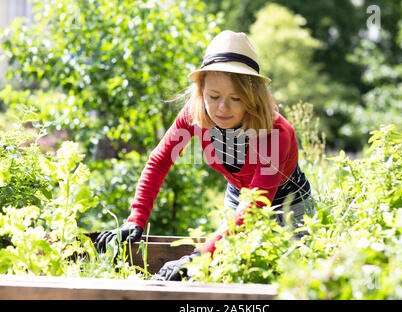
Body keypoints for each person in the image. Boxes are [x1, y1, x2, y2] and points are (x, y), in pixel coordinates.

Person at [95, 30, 315, 280]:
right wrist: (136, 219)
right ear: (201, 91)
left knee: (288, 281)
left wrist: (197, 258)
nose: (223, 108)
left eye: (236, 98)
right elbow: (159, 162)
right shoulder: (194, 114)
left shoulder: (276, 133)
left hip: (290, 206)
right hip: (239, 199)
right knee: (229, 274)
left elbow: (256, 206)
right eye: (214, 96)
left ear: (253, 97)